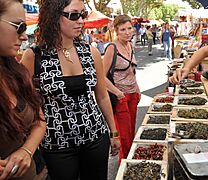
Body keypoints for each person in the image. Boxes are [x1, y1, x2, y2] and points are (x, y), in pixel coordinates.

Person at [20, 0, 120, 179]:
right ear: (53, 16)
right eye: (74, 15)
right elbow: (22, 102)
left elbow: (102, 96)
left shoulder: (91, 52)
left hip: (95, 137)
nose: (81, 21)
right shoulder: (34, 56)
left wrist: (114, 133)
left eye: (83, 15)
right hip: (57, 146)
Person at [0, 0, 46, 179]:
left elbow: (39, 120)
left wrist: (26, 150)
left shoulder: (16, 72)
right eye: (19, 26)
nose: (25, 36)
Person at [103, 15, 141, 163]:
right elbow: (101, 76)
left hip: (133, 95)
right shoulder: (112, 48)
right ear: (116, 31)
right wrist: (118, 93)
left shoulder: (130, 45)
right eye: (123, 29)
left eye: (129, 28)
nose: (127, 32)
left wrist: (137, 88)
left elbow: (132, 70)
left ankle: (129, 162)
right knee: (124, 136)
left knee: (131, 131)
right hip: (121, 97)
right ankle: (124, 164)